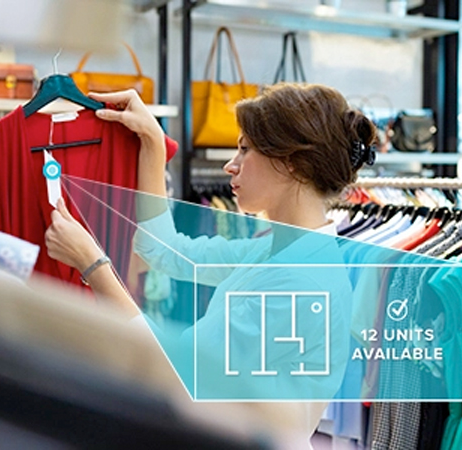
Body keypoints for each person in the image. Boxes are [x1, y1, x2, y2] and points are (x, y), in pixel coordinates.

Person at [45, 83, 376, 447]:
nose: (230, 165)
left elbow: (174, 369)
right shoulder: (275, 249)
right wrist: (153, 142)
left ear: (291, 162)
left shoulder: (298, 282)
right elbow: (167, 251)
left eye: (245, 149)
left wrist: (93, 266)